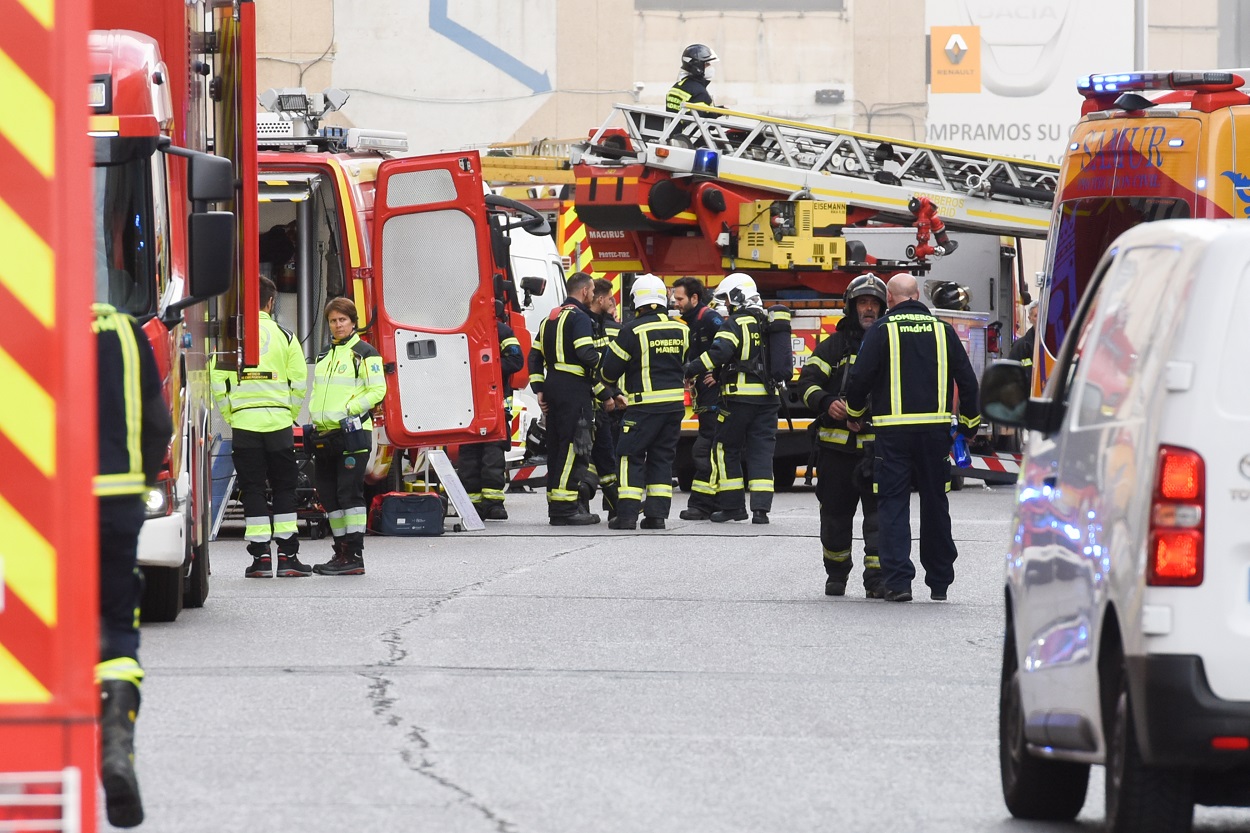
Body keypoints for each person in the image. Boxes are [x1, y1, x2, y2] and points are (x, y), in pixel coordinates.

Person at [844, 273, 981, 602]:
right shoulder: (942, 331)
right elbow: (969, 380)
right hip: (935, 435)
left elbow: (860, 377)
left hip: (892, 435)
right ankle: (939, 582)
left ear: (889, 299)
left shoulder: (881, 330)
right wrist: (968, 426)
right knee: (936, 504)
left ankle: (899, 582)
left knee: (893, 504)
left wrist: (854, 413)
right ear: (918, 295)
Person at [93, 302, 173, 828]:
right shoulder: (124, 329)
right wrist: (139, 485)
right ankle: (116, 740)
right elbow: (158, 422)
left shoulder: (19, 313)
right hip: (115, 504)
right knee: (117, 629)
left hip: (29, 510)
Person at [210, 276, 310, 577]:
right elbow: (299, 382)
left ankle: (261, 559)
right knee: (284, 487)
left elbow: (218, 382)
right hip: (279, 423)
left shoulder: (231, 339)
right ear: (270, 302)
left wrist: (232, 414)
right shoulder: (286, 336)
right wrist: (287, 411)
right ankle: (288, 557)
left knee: (252, 487)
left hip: (245, 424)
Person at [796, 274, 887, 598]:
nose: (869, 309)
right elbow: (805, 384)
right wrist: (827, 402)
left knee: (878, 519)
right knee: (834, 519)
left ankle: (876, 580)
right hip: (836, 453)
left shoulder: (888, 344)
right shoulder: (833, 347)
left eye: (874, 304)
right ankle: (836, 573)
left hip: (876, 450)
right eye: (863, 303)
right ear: (851, 307)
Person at [684, 273, 778, 524]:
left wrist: (691, 368)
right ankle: (761, 510)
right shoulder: (770, 322)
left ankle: (733, 506)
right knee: (761, 451)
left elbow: (719, 353)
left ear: (738, 296)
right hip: (769, 400)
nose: (727, 304)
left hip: (739, 400)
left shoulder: (736, 323)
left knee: (726, 449)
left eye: (728, 298)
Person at [600, 274, 689, 529]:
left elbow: (608, 372)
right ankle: (656, 517)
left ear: (636, 300)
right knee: (662, 458)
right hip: (673, 408)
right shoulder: (682, 328)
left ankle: (627, 516)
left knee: (630, 456)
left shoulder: (631, 330)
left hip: (642, 408)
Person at [308, 298, 386, 574]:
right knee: (329, 495)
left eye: (342, 320)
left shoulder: (365, 353)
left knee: (348, 494)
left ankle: (354, 555)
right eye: (333, 320)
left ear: (353, 322)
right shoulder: (324, 355)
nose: (338, 325)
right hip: (325, 433)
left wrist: (348, 410)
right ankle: (340, 552)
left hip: (353, 433)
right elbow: (317, 391)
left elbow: (377, 391)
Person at [528, 271, 608, 525]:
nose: (594, 295)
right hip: (574, 389)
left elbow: (534, 357)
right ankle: (565, 510)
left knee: (556, 446)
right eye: (593, 291)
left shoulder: (549, 318)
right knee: (575, 446)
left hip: (553, 386)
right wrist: (608, 368)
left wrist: (539, 387)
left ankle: (556, 501)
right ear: (584, 291)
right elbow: (585, 353)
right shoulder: (580, 318)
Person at [459, 302, 526, 520]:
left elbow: (516, 360)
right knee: (469, 452)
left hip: (494, 400)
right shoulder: (461, 331)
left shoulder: (502, 331)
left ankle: (494, 503)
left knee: (492, 452)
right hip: (468, 400)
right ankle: (473, 504)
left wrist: (488, 370)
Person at [671, 276, 724, 520]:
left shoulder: (709, 319)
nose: (675, 302)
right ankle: (712, 503)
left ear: (694, 298)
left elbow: (728, 347)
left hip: (714, 397)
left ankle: (702, 504)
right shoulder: (690, 321)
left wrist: (719, 373)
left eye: (680, 298)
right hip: (703, 395)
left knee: (705, 448)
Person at [587, 279, 625, 520]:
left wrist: (614, 393)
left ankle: (613, 506)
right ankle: (610, 506)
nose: (613, 302)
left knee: (598, 455)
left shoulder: (598, 324)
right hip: (594, 400)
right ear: (600, 299)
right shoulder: (587, 324)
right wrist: (609, 394)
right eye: (611, 298)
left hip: (602, 400)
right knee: (594, 455)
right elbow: (592, 367)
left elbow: (600, 367)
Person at [666, 44, 718, 112]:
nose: (711, 67)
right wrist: (714, 113)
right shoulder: (700, 93)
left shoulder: (678, 86)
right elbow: (699, 116)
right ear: (698, 66)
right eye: (707, 64)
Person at [1009, 301, 1038, 372]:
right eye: (1036, 316)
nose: (1040, 319)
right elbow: (1011, 372)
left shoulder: (1057, 343)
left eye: (1043, 315)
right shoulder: (1020, 347)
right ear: (1029, 319)